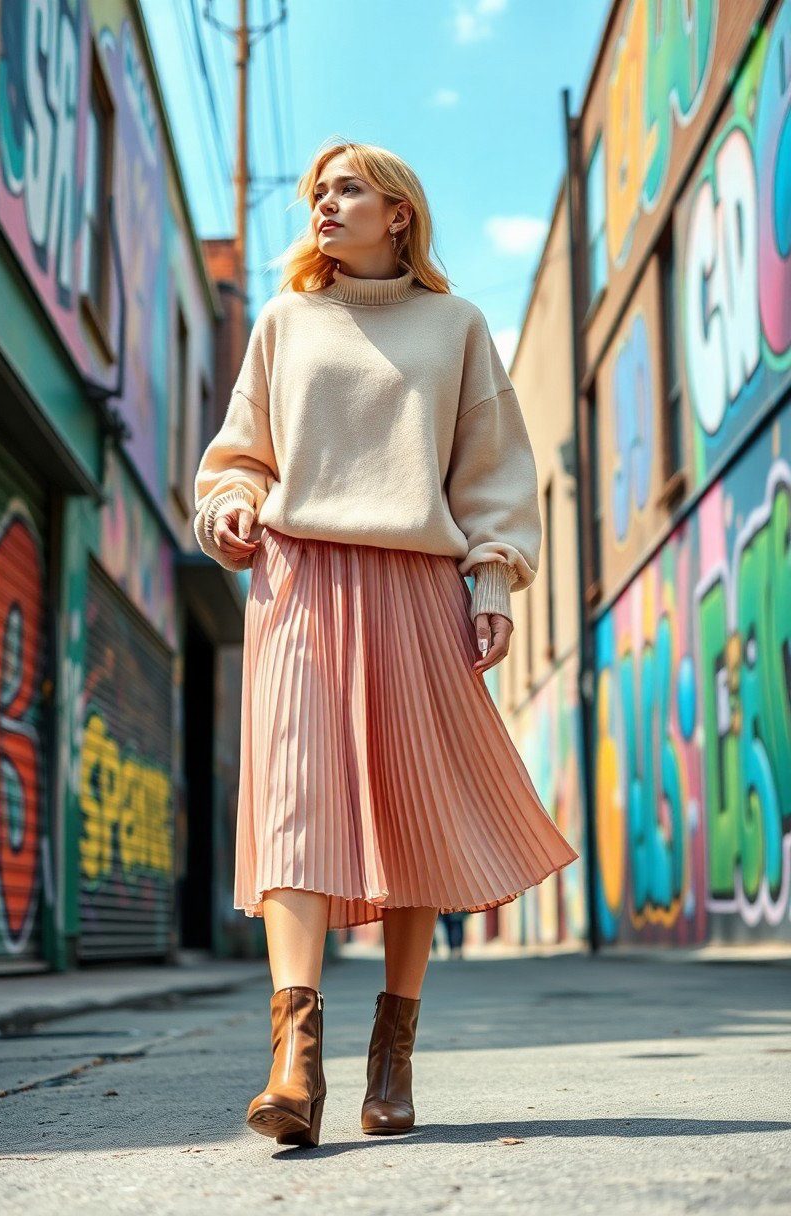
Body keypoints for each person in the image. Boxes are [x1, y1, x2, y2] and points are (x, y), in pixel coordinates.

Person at [193, 139, 579, 1149]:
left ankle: (391, 1055)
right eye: (319, 191)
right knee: (293, 803)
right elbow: (239, 454)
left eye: (347, 189)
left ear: (398, 213)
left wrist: (489, 572)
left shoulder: (455, 326)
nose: (324, 203)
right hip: (299, 579)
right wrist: (231, 505)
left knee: (416, 810)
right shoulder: (284, 320)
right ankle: (294, 1055)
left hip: (416, 584)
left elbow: (490, 467)